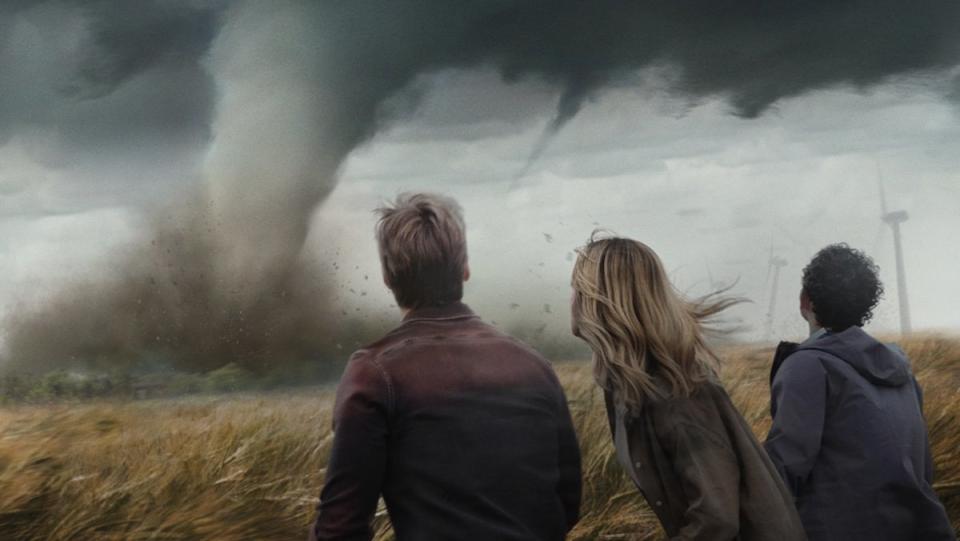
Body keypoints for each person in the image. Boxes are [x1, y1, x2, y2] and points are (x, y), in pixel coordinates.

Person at [309, 193, 582, 541]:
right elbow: (566, 503)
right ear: (465, 269)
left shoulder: (375, 375)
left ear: (387, 278)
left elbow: (339, 528)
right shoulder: (534, 365)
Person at [570, 234, 806, 541]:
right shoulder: (630, 385)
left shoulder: (675, 396)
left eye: (576, 288)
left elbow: (717, 519)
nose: (571, 298)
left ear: (600, 301)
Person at [765, 243, 954, 540]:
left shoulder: (807, 366)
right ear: (866, 304)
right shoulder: (900, 369)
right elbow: (923, 468)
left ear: (805, 300)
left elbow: (782, 471)